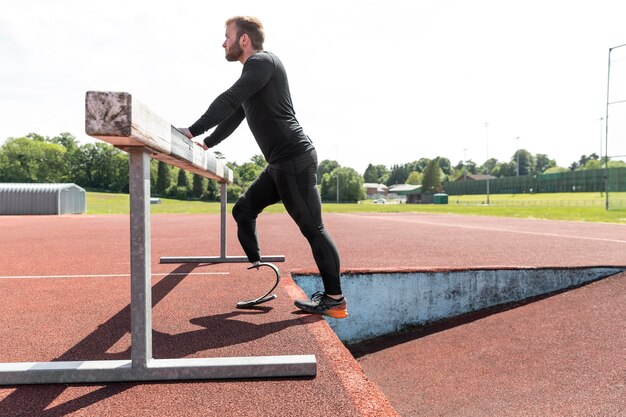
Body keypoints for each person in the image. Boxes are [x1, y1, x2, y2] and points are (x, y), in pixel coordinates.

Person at [179, 16, 347, 319]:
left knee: (313, 229)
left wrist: (191, 131)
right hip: (278, 164)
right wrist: (208, 142)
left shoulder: (263, 63)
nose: (223, 42)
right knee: (243, 210)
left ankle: (334, 299)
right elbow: (235, 114)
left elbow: (229, 100)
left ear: (244, 40)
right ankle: (260, 266)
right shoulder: (254, 77)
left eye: (227, 36)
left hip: (295, 159)